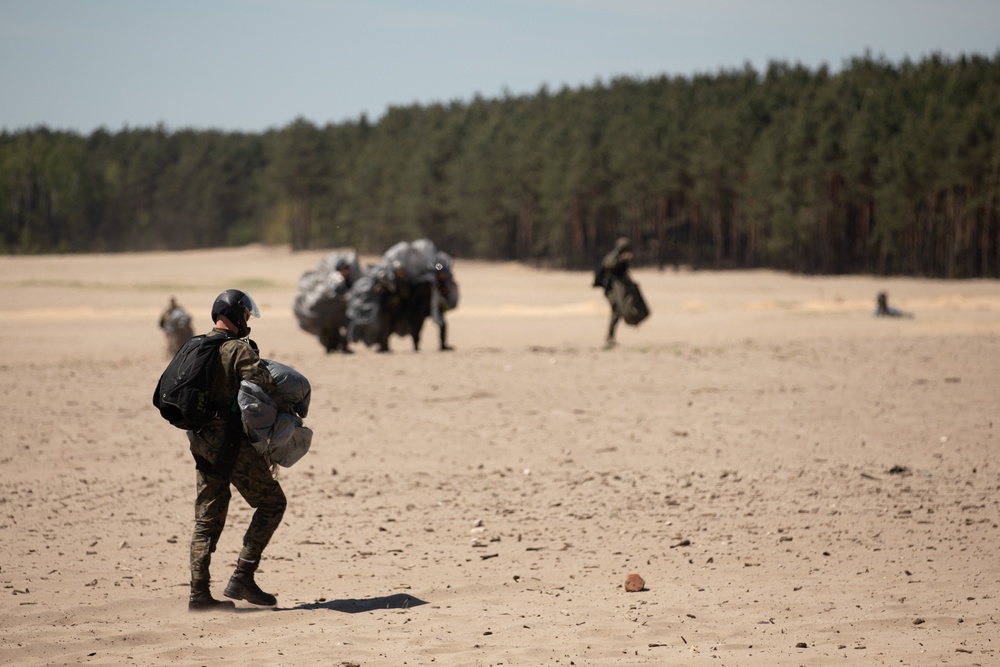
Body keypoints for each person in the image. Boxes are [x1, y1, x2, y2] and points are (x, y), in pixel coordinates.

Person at [186, 289, 289, 611]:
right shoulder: (236, 350)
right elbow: (264, 385)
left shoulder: (194, 346)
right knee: (272, 503)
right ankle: (243, 576)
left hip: (200, 444)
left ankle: (199, 594)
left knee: (207, 518)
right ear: (235, 315)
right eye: (245, 314)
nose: (247, 319)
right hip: (231, 444)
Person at [597, 237, 635, 347]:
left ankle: (610, 336)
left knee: (617, 311)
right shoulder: (613, 257)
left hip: (616, 290)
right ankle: (610, 336)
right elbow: (608, 265)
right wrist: (620, 259)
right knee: (616, 310)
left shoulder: (620, 258)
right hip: (610, 290)